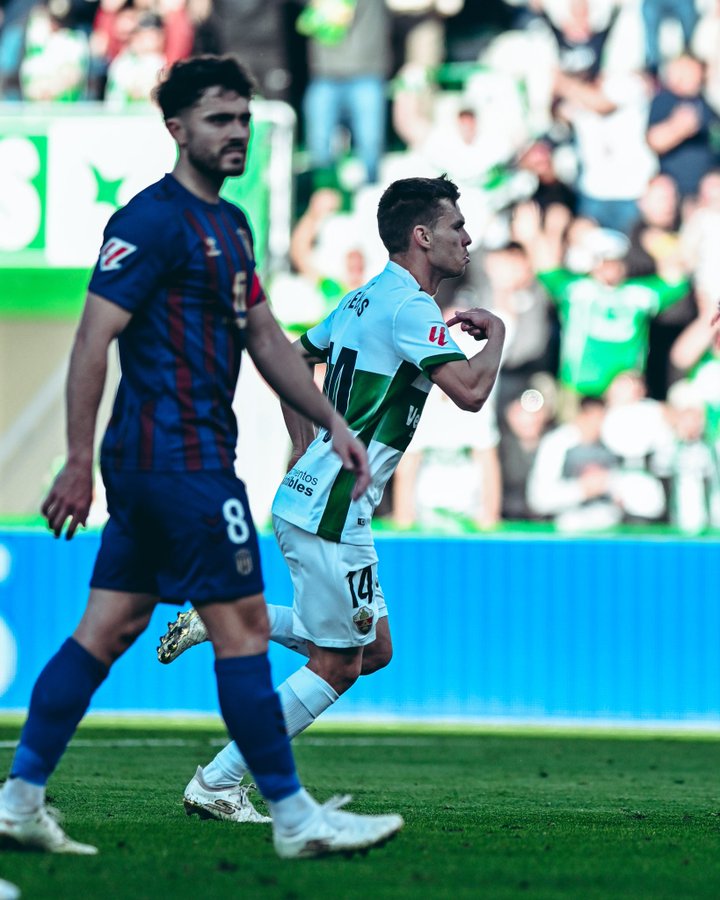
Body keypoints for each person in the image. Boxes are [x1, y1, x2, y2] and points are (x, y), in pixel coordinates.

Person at [0, 54, 404, 861]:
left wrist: (332, 422)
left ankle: (18, 799)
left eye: (245, 120)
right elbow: (91, 340)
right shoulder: (149, 222)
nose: (237, 134)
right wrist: (75, 461)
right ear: (176, 129)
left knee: (106, 630)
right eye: (220, 120)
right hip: (175, 462)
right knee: (245, 628)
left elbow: (264, 338)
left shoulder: (232, 225)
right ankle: (293, 816)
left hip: (180, 462)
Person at [156, 174, 507, 823]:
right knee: (340, 663)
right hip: (333, 509)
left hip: (319, 499)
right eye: (457, 227)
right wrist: (500, 333)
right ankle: (220, 780)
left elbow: (295, 354)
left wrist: (303, 442)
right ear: (423, 236)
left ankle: (231, 621)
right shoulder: (410, 309)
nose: (468, 238)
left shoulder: (361, 300)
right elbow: (472, 392)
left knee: (375, 650)